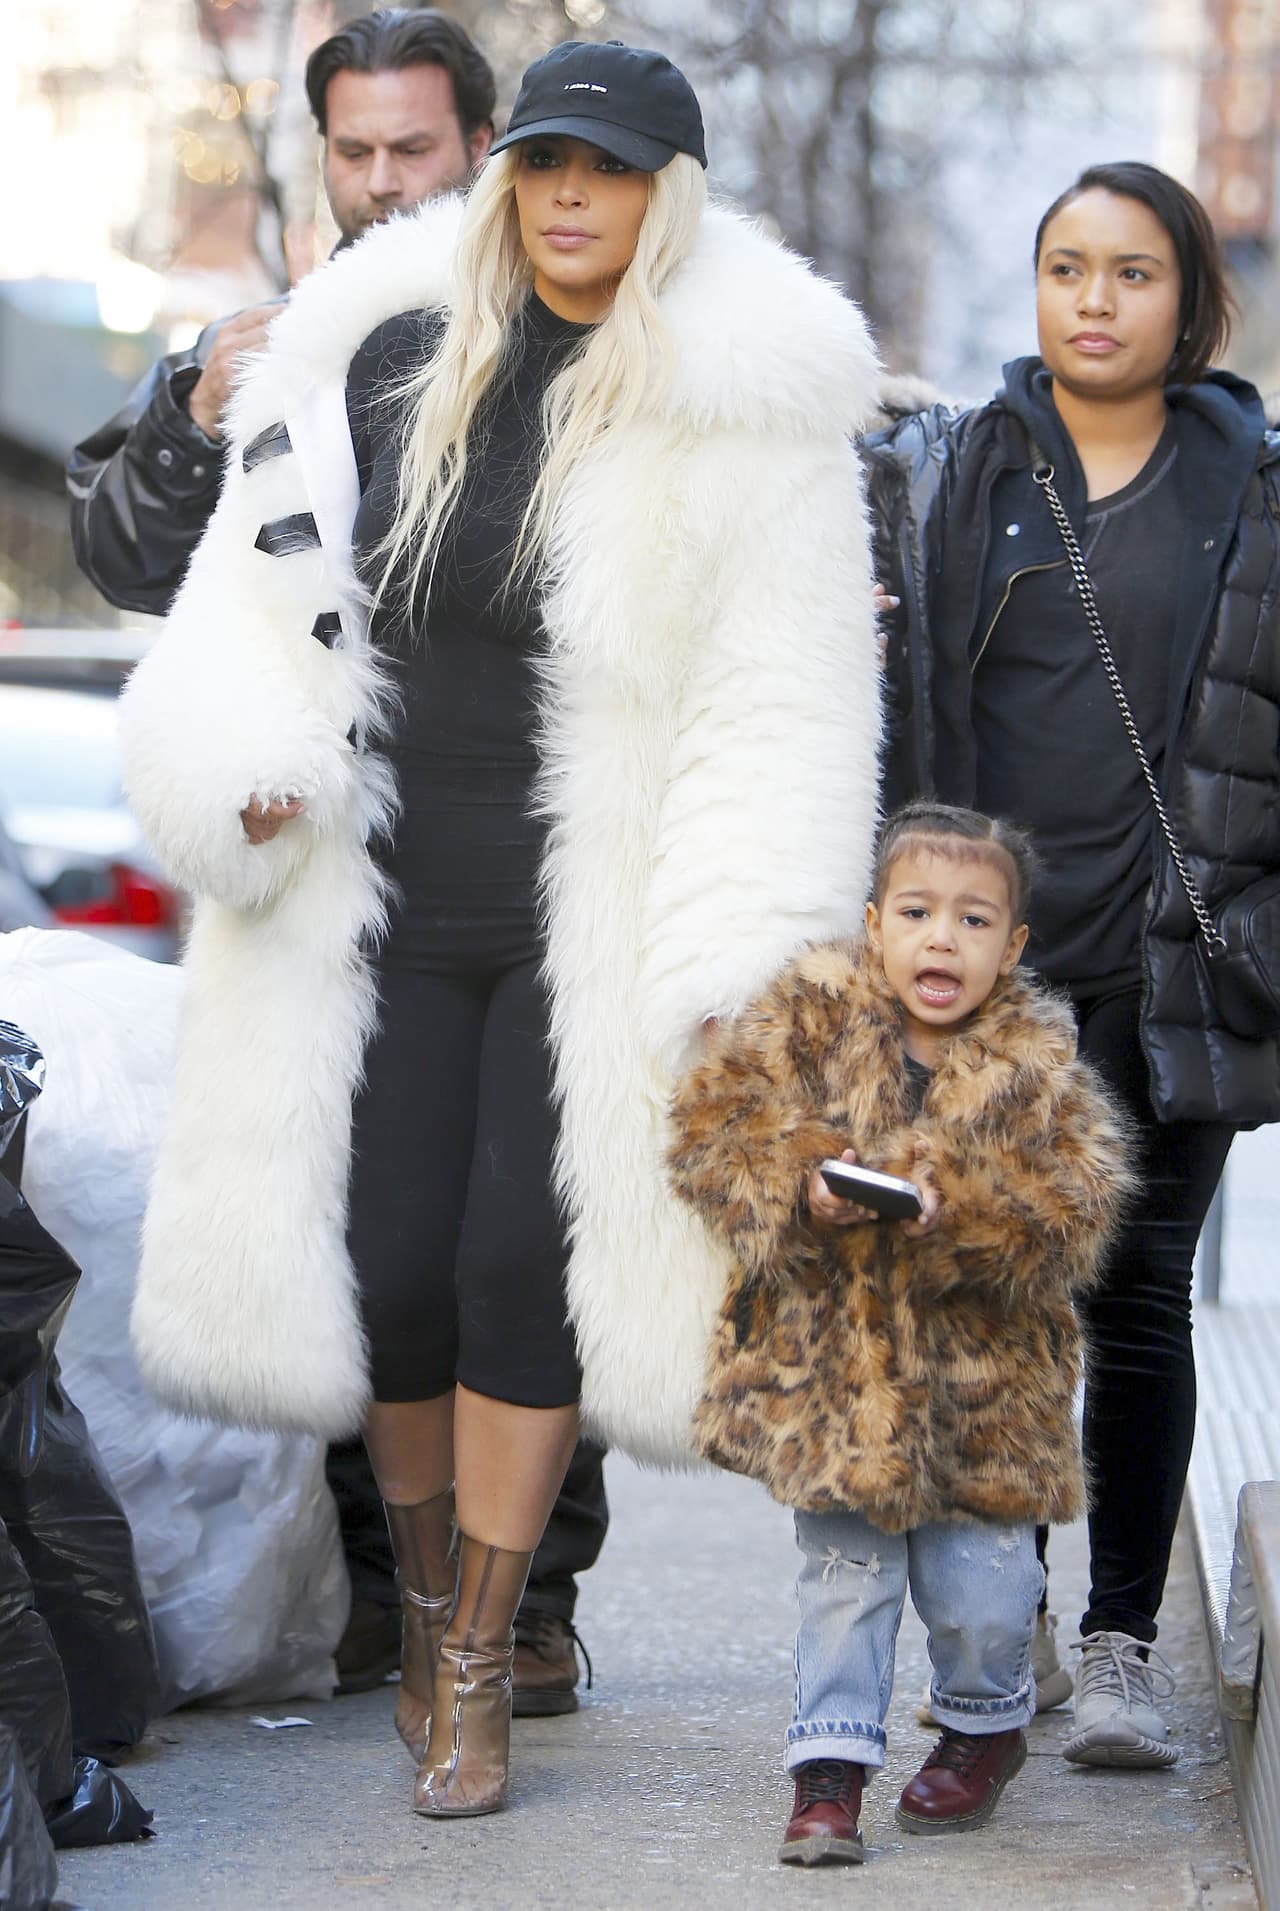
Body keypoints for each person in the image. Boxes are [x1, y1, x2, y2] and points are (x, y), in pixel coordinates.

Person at [114, 38, 882, 1819]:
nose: (562, 195)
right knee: (381, 1282)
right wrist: (240, 765)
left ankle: (479, 1659)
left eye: (602, 169)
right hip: (370, 908)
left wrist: (738, 964)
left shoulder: (734, 405)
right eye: (540, 160)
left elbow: (785, 708)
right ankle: (419, 1610)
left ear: (664, 194)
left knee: (514, 1280)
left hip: (586, 930)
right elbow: (243, 611)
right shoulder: (378, 361)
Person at [66, 7, 608, 1720]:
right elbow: (127, 563)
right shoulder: (271, 348)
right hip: (333, 888)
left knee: (525, 1241)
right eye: (356, 152)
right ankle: (401, 1587)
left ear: (478, 150)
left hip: (534, 862)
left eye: (417, 150)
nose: (384, 183)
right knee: (375, 1249)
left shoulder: (559, 328)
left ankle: (527, 1606)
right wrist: (183, 409)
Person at [864, 161, 1280, 1768]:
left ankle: (1118, 1641)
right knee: (988, 1299)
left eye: (1132, 271)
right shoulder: (959, 471)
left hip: (1176, 960)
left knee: (1138, 1302)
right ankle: (1004, 1621)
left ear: (1190, 299)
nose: (1095, 298)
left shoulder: (1248, 478)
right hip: (991, 978)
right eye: (1064, 266)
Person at [669, 802, 1133, 1863]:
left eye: (972, 922)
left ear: (1010, 948)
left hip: (984, 1395)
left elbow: (1076, 1207)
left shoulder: (1035, 1062)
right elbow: (710, 1131)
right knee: (842, 1580)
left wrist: (958, 1208)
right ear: (872, 922)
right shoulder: (805, 1019)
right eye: (917, 912)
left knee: (983, 1592)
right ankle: (826, 1769)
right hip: (835, 1381)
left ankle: (984, 1724)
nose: (941, 939)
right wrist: (804, 1182)